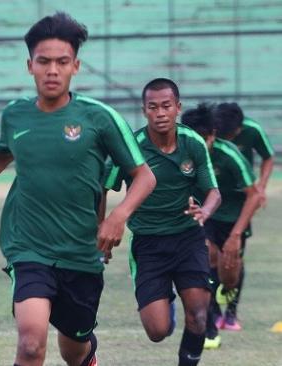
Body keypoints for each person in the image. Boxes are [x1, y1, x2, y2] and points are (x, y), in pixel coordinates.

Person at [0, 12, 155, 366]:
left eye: (62, 62)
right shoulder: (15, 115)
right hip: (28, 246)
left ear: (76, 65)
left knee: (74, 350)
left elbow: (145, 176)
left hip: (80, 252)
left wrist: (119, 215)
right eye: (44, 62)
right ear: (30, 66)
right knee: (31, 343)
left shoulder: (100, 117)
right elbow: (1, 154)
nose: (52, 70)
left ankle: (88, 355)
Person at [104, 79, 221, 366]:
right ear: (144, 111)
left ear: (177, 108)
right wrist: (102, 233)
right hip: (148, 243)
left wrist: (205, 211)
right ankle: (165, 306)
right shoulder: (131, 146)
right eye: (153, 107)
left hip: (187, 237)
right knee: (157, 331)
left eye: (166, 106)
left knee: (199, 316)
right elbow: (103, 186)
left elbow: (213, 192)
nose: (160, 113)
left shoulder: (192, 142)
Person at [180, 102, 260, 349]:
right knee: (207, 256)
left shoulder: (229, 155)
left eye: (205, 138)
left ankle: (228, 299)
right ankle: (211, 317)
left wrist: (236, 235)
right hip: (205, 216)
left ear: (213, 134)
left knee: (230, 272)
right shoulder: (182, 153)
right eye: (195, 138)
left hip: (233, 218)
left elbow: (254, 195)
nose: (201, 145)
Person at [211, 102, 275, 330]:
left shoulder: (252, 130)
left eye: (231, 136)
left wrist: (261, 188)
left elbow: (268, 157)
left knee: (234, 257)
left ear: (238, 130)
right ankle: (213, 312)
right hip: (212, 199)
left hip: (240, 202)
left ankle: (231, 312)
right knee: (209, 256)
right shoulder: (211, 131)